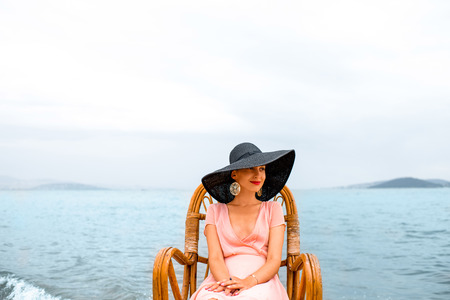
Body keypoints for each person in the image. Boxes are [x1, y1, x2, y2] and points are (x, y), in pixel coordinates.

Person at [190, 142, 295, 300]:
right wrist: (227, 283)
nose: (258, 175)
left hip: (261, 282)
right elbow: (215, 257)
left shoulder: (273, 209)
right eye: (250, 168)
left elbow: (274, 260)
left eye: (262, 169)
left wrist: (248, 282)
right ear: (234, 174)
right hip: (221, 280)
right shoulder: (214, 211)